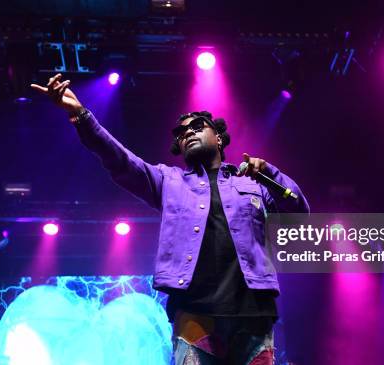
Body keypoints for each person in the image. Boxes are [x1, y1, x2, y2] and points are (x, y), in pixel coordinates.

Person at [31, 74, 310, 365]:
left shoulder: (253, 183)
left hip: (253, 316)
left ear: (219, 137)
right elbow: (120, 160)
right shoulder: (169, 181)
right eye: (181, 132)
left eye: (197, 127)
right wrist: (80, 115)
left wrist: (271, 174)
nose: (187, 133)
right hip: (195, 315)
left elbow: (299, 213)